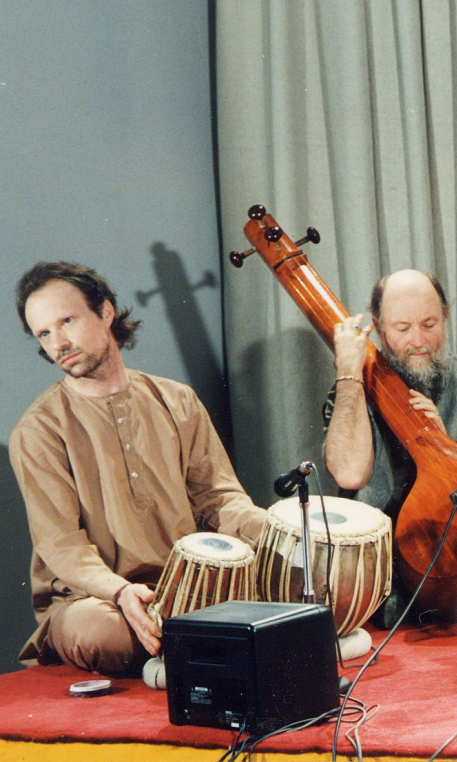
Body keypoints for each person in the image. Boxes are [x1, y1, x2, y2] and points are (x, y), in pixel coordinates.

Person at [9, 261, 265, 676]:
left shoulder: (176, 400)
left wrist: (276, 531)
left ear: (106, 312)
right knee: (101, 633)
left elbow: (218, 497)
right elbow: (62, 546)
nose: (58, 342)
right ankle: (204, 647)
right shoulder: (38, 431)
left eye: (67, 321)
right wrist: (121, 590)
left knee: (296, 579)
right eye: (44, 333)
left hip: (187, 585)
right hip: (98, 598)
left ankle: (181, 653)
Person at [322, 269, 457, 624]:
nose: (418, 340)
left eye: (429, 324)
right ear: (379, 326)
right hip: (383, 593)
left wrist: (446, 447)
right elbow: (350, 473)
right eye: (402, 329)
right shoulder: (349, 393)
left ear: (446, 317)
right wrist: (349, 373)